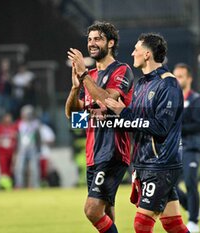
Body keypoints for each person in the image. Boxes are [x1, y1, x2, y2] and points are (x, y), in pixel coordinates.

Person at [105, 33, 189, 233]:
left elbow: (161, 127)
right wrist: (109, 120)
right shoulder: (142, 84)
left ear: (148, 54)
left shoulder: (168, 84)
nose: (133, 53)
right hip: (144, 163)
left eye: (136, 49)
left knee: (141, 224)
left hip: (161, 164)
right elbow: (134, 121)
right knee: (173, 224)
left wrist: (123, 112)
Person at [65, 21, 134, 233]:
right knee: (107, 212)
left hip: (113, 152)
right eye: (89, 39)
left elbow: (107, 102)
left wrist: (84, 76)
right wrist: (75, 88)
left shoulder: (122, 70)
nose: (92, 43)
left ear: (110, 43)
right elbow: (73, 116)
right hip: (93, 154)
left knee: (92, 210)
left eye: (97, 39)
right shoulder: (90, 77)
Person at [173, 63, 200, 232]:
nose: (177, 79)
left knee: (190, 182)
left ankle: (193, 221)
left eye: (180, 76)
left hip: (191, 148)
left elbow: (198, 125)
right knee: (169, 184)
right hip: (175, 150)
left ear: (189, 79)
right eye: (175, 76)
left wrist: (175, 126)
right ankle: (193, 208)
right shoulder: (172, 101)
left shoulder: (196, 100)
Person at [14, 105, 41, 188]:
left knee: (34, 168)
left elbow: (38, 137)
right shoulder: (19, 123)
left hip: (32, 148)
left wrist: (38, 148)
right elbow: (16, 136)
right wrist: (16, 149)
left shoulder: (35, 123)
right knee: (19, 168)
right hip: (22, 148)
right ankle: (19, 185)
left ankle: (36, 185)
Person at [0, 113, 18, 190]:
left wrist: (16, 151)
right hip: (1, 152)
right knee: (3, 169)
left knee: (10, 169)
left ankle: (9, 184)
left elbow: (16, 140)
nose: (8, 120)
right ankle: (4, 185)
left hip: (11, 152)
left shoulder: (14, 128)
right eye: (7, 118)